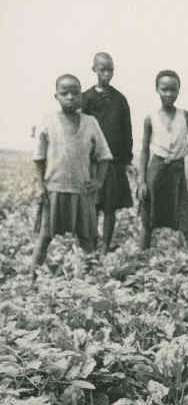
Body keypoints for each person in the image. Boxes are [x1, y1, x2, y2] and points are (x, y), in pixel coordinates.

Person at [31, 74, 113, 276]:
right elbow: (39, 158)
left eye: (75, 93)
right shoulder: (49, 121)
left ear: (81, 96)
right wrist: (40, 185)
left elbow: (104, 156)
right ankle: (31, 277)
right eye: (64, 93)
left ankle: (95, 279)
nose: (70, 97)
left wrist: (99, 181)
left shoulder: (90, 122)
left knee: (87, 238)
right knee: (45, 237)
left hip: (82, 189)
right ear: (56, 96)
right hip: (55, 189)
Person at [138, 70, 188, 254]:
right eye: (164, 89)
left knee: (185, 216)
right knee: (148, 218)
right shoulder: (151, 117)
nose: (169, 94)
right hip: (155, 170)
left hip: (176, 171)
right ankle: (142, 257)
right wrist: (141, 181)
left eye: (173, 89)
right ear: (157, 90)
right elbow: (144, 150)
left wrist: (180, 154)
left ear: (179, 90)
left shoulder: (184, 115)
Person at [81, 52, 133, 252]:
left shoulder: (120, 99)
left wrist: (127, 159)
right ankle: (91, 246)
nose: (107, 73)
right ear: (94, 69)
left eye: (110, 69)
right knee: (92, 206)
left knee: (110, 206)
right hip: (91, 162)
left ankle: (105, 246)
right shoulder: (85, 98)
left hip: (113, 162)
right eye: (102, 69)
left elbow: (127, 130)